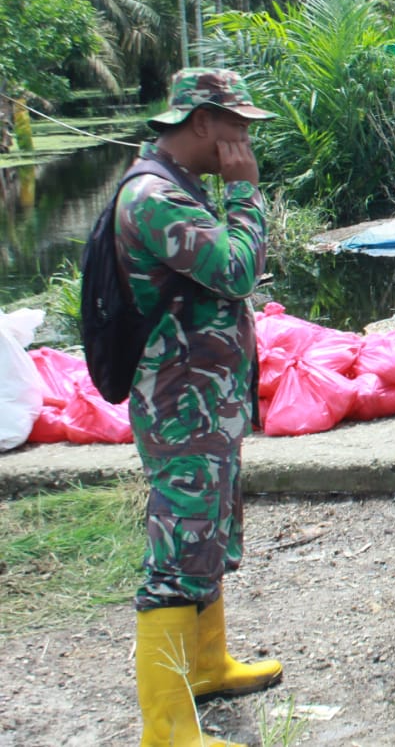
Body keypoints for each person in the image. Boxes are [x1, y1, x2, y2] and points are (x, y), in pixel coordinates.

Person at [120, 69, 280, 747]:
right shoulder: (155, 197)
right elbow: (237, 269)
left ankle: (208, 665)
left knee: (207, 530)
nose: (244, 138)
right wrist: (244, 194)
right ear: (202, 122)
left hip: (204, 399)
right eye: (236, 125)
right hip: (180, 403)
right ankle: (165, 729)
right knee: (178, 546)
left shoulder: (178, 185)